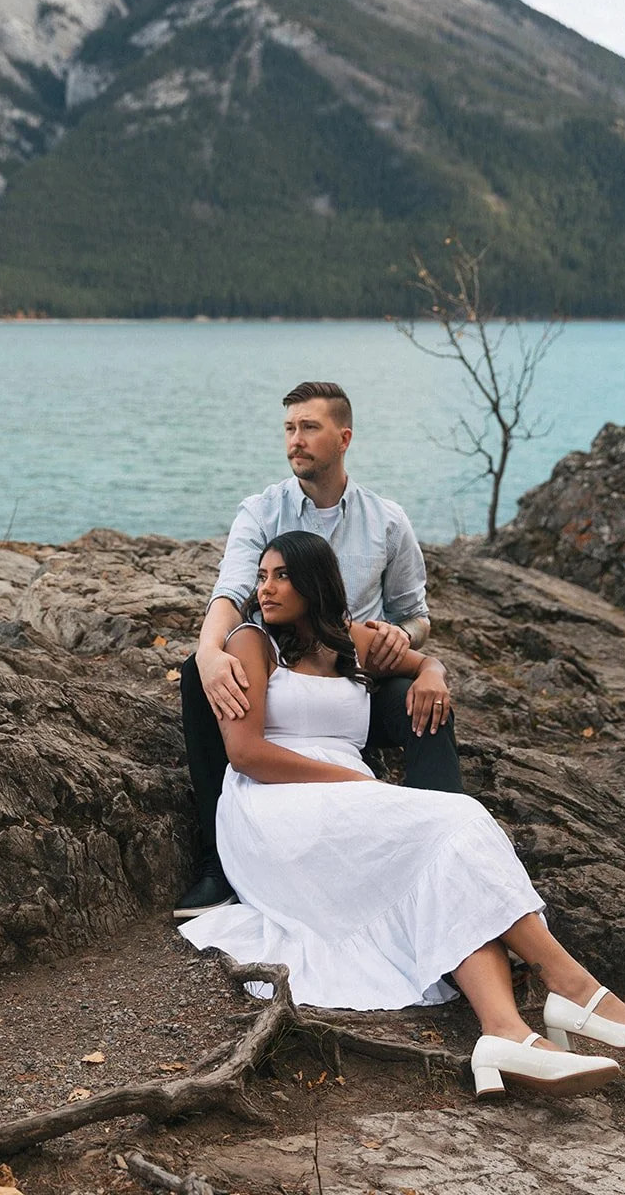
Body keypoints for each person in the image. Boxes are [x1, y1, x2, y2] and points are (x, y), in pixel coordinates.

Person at [180, 532, 625, 1100]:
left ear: (314, 581)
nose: (265, 588)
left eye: (280, 576)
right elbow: (245, 753)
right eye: (262, 576)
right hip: (273, 806)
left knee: (450, 852)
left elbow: (426, 661)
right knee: (459, 820)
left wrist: (433, 673)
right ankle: (569, 984)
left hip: (346, 803)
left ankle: (504, 1032)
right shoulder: (251, 642)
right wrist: (353, 781)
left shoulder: (352, 642)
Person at [177, 380, 463, 918]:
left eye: (309, 427)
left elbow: (415, 614)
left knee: (427, 707)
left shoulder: (387, 521)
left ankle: (440, 848)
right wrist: (211, 650)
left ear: (343, 437)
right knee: (198, 673)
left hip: (359, 677)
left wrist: (414, 647)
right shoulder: (262, 511)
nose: (296, 440)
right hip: (281, 680)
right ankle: (221, 862)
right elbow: (233, 592)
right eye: (289, 428)